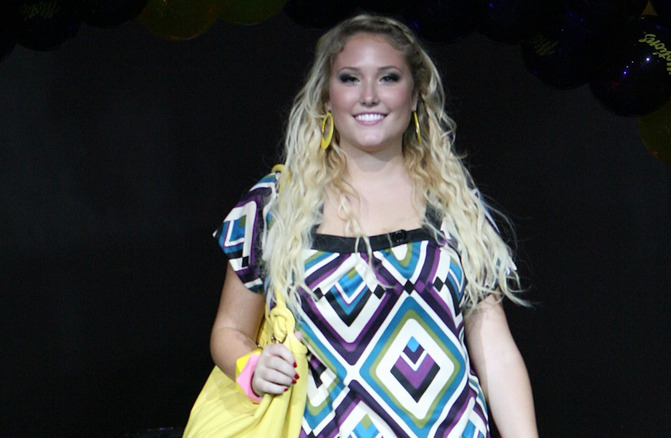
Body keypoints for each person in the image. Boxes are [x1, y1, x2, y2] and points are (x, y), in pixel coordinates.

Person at [207, 14, 538, 437]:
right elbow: (229, 329)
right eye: (349, 79)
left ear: (415, 95)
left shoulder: (454, 202)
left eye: (387, 78)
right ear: (326, 97)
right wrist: (250, 366)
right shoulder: (275, 203)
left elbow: (494, 346)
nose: (368, 96)